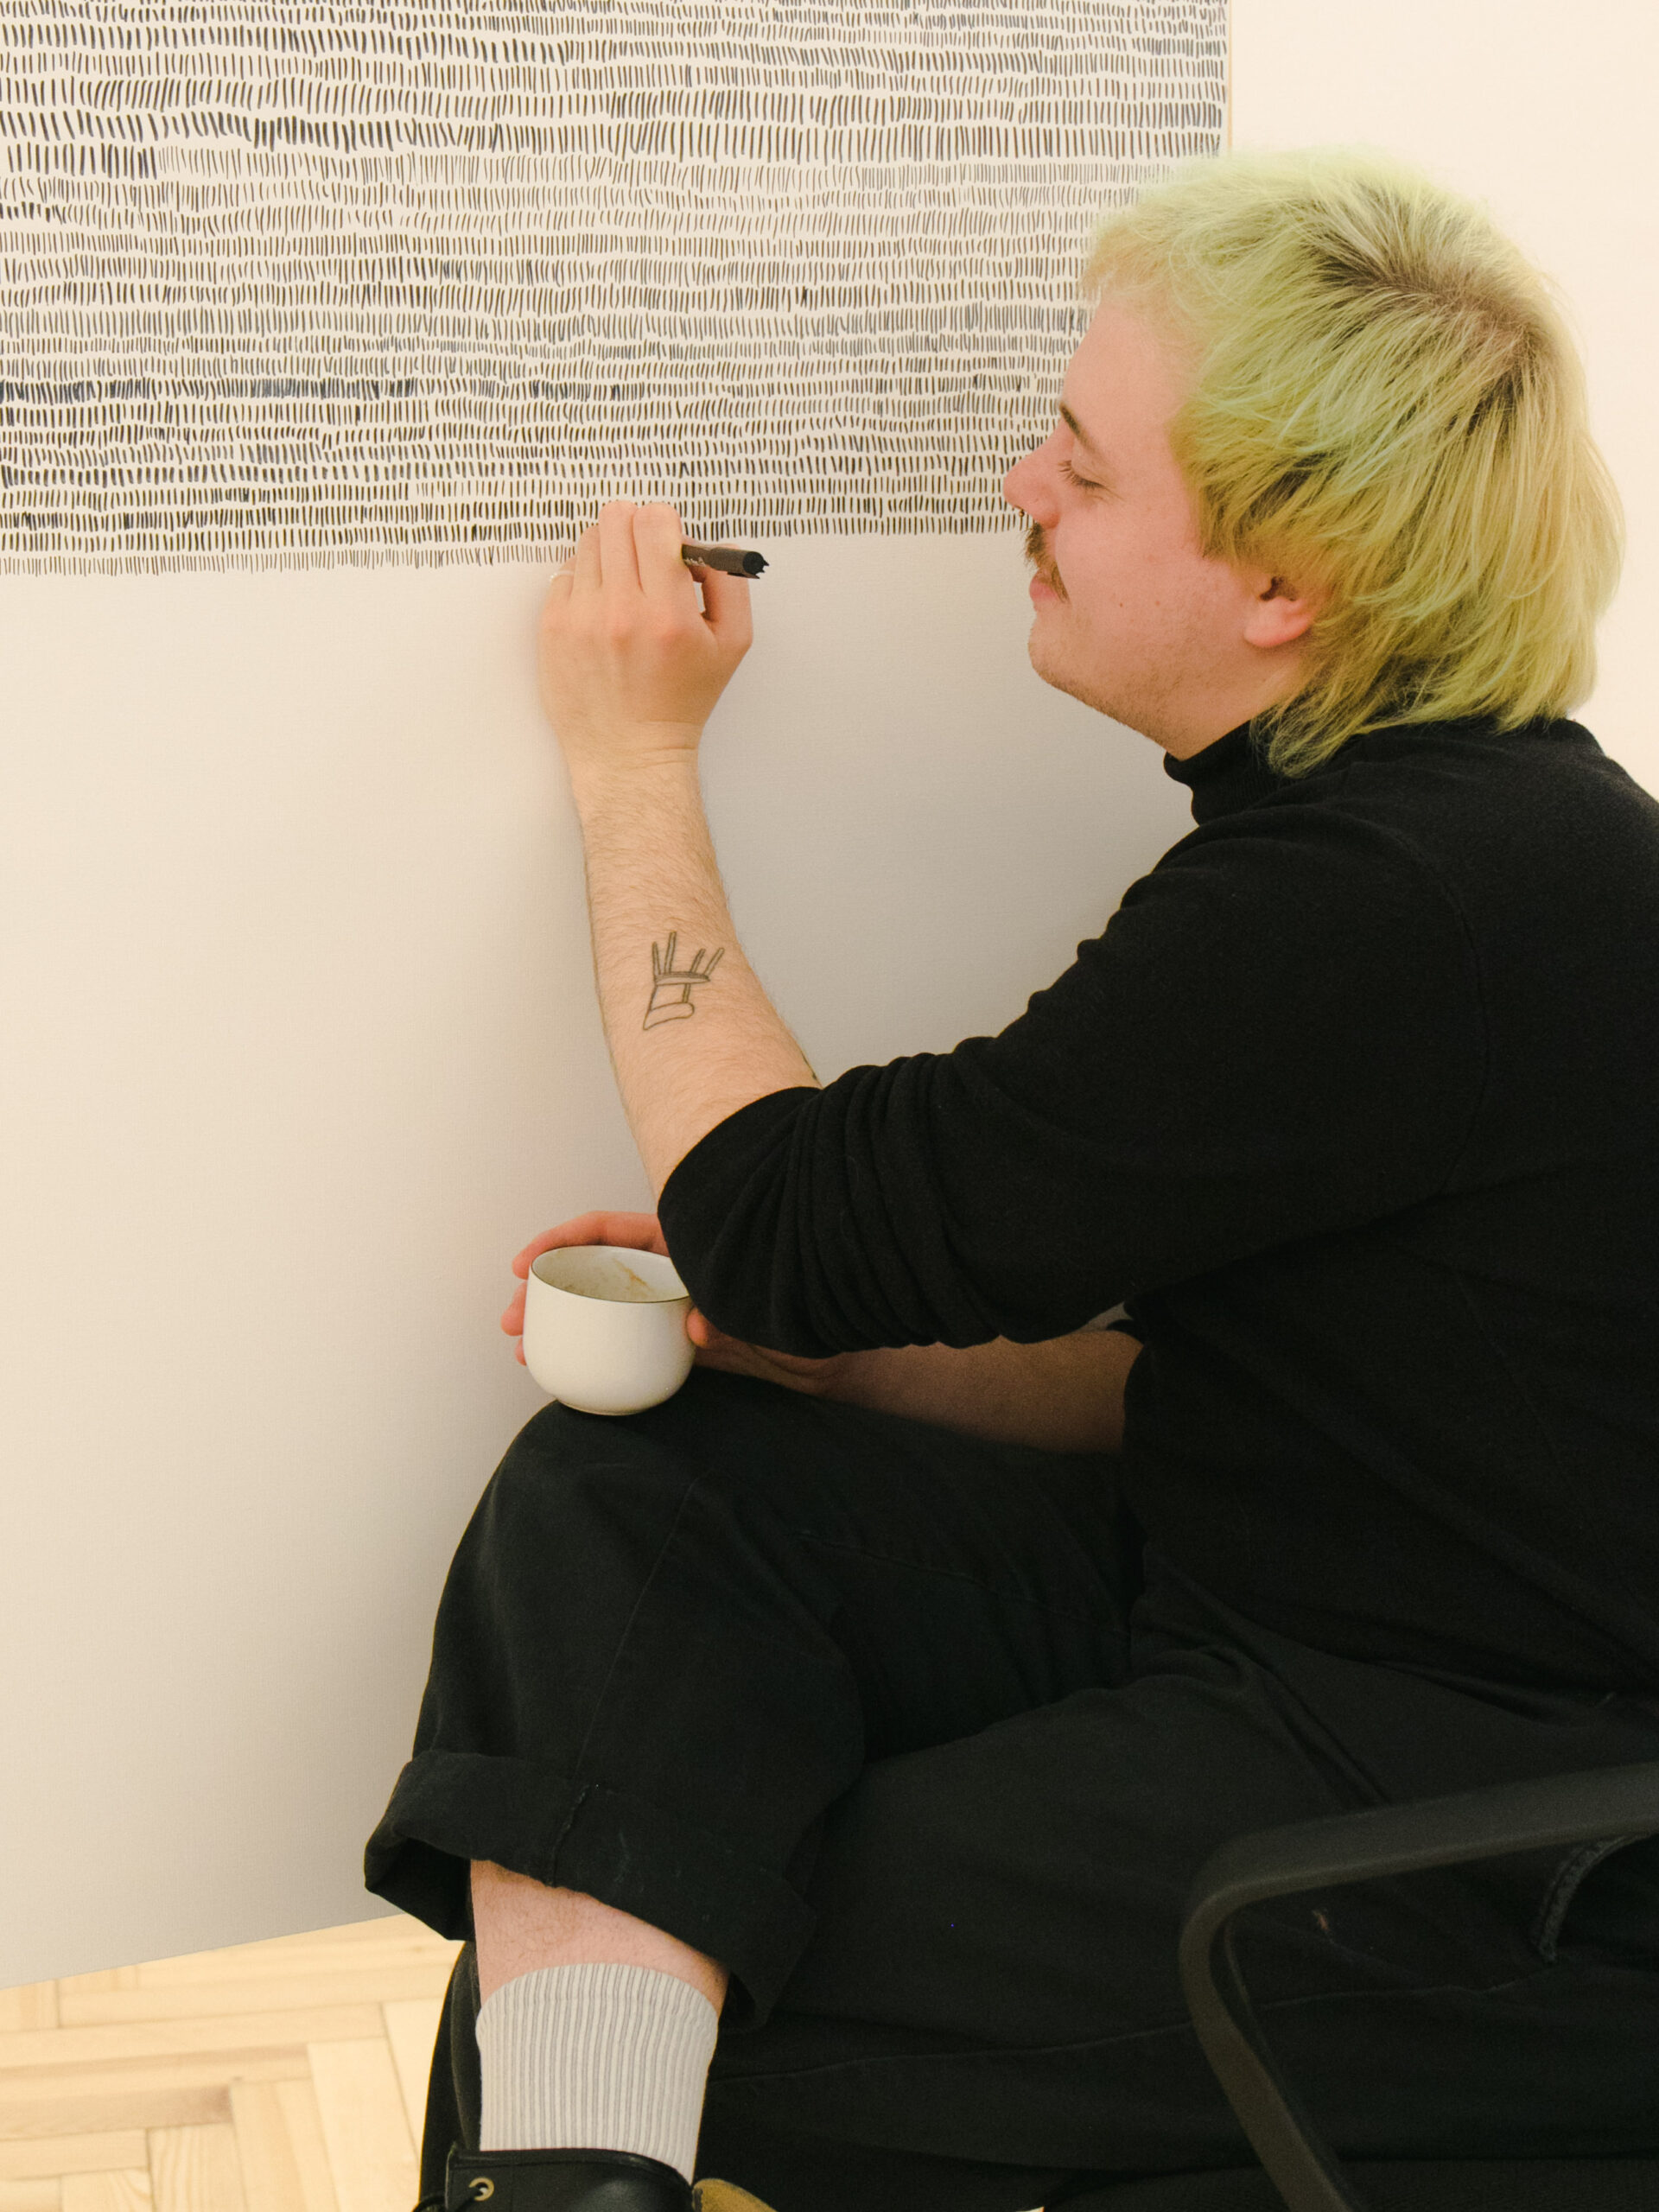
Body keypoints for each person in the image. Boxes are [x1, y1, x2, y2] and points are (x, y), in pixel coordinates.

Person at [365, 144, 1659, 2212]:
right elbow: (1233, 1389)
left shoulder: (1390, 901)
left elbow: (779, 1215)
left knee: (616, 1969)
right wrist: (839, 1364)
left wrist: (630, 761)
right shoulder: (1430, 840)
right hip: (1235, 1593)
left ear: (1284, 580)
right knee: (630, 1503)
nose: (1022, 488)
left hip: (1479, 1815)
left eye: (1084, 461)